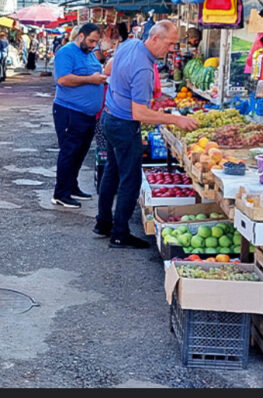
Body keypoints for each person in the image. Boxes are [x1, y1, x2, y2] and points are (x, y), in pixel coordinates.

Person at [94, 20, 198, 248]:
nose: (171, 49)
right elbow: (139, 112)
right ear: (154, 38)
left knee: (112, 171)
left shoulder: (130, 44)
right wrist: (176, 119)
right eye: (169, 44)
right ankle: (119, 234)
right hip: (123, 125)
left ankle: (103, 223)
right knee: (130, 179)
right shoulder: (143, 69)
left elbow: (109, 67)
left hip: (109, 116)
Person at [51, 22, 106, 209]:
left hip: (88, 114)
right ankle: (61, 194)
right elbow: (63, 79)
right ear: (81, 36)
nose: (93, 45)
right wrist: (91, 79)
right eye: (91, 41)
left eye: (96, 42)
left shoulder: (89, 53)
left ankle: (72, 187)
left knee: (80, 152)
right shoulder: (66, 53)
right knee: (69, 152)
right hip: (70, 111)